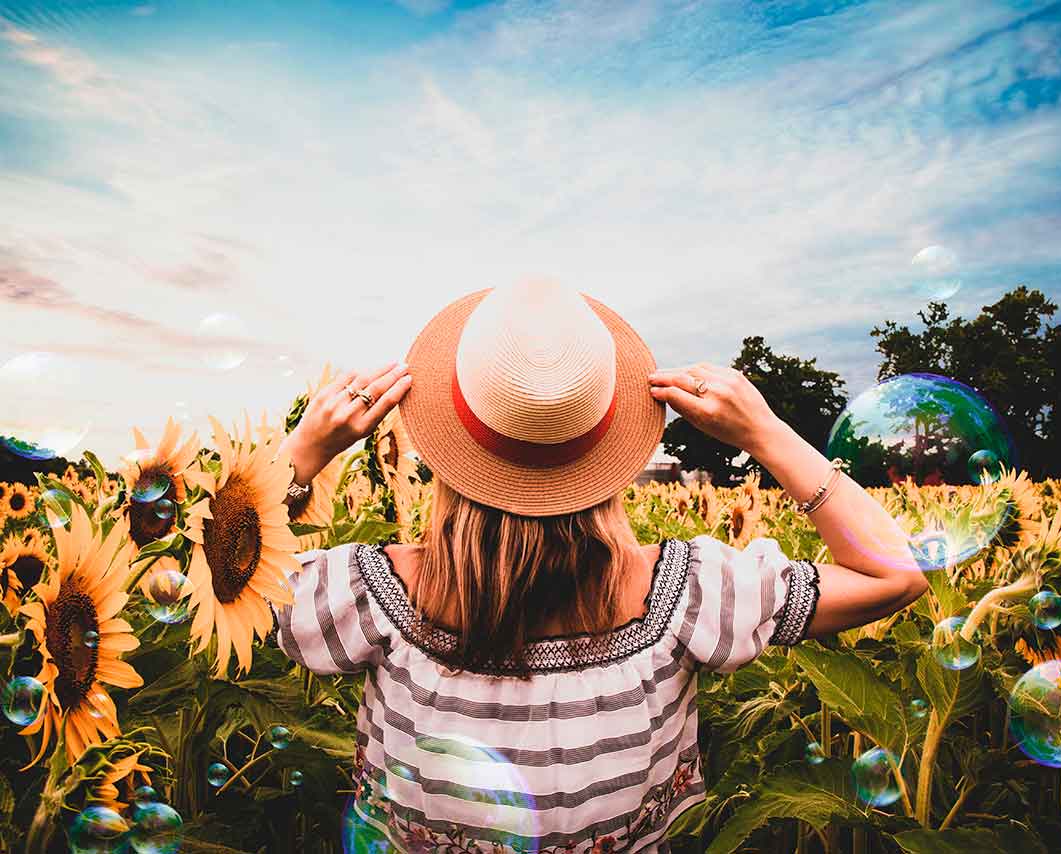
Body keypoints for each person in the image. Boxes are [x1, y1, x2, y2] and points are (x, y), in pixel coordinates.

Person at [275, 280, 928, 853]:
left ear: (451, 444)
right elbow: (893, 574)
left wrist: (302, 454)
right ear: (609, 450)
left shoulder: (367, 593)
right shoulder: (689, 595)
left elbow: (217, 581)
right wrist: (765, 433)